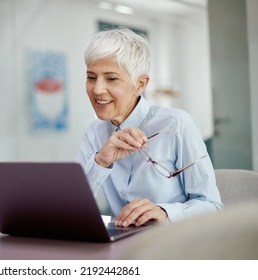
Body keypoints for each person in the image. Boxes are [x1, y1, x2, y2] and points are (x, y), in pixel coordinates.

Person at [76, 28, 223, 227]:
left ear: (140, 84)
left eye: (111, 79)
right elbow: (73, 206)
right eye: (91, 77)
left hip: (173, 243)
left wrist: (165, 212)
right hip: (125, 245)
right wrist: (101, 161)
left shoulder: (177, 125)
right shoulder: (94, 132)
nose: (97, 89)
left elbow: (212, 206)